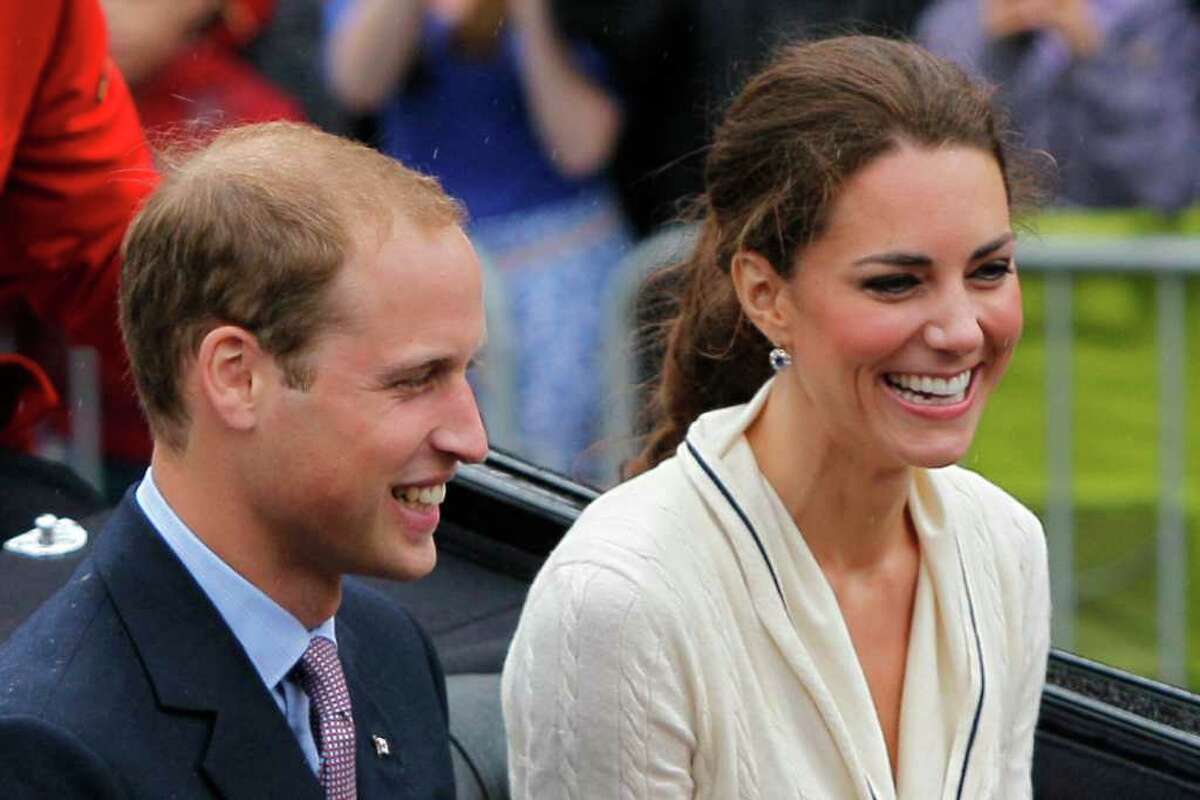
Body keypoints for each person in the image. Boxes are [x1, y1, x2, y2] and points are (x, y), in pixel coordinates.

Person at [502, 36, 1051, 799]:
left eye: (990, 270)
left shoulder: (1004, 545)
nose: (962, 330)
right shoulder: (619, 601)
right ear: (766, 295)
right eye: (896, 283)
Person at [0, 121, 488, 798]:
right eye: (414, 380)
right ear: (236, 377)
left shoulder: (388, 651)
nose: (472, 438)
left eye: (467, 373)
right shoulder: (49, 747)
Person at [325, 0, 634, 480]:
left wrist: (530, 17)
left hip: (556, 267)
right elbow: (358, 85)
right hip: (424, 256)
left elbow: (581, 147)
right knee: (430, 454)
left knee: (560, 476)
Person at [917, 0, 1200, 211]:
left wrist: (1096, 59)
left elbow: (1171, 184)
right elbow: (933, 174)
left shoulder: (1154, 20)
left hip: (1123, 279)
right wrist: (998, 56)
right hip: (995, 262)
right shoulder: (953, 21)